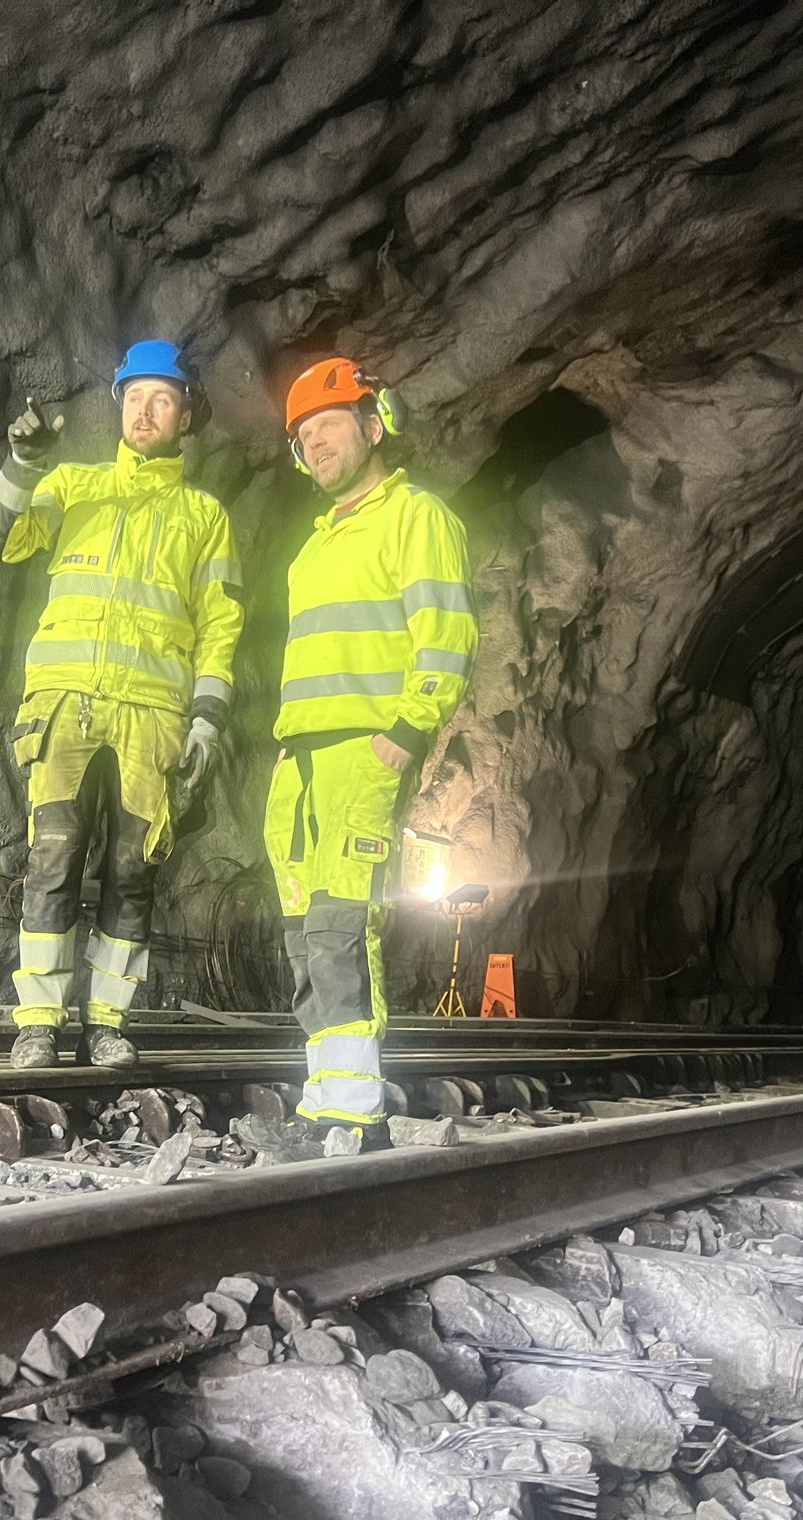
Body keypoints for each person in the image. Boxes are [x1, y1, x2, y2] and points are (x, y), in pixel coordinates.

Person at [0, 342, 244, 1070]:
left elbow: (221, 626)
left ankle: (106, 1022)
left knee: (133, 871)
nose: (143, 411)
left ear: (187, 414)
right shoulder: (72, 484)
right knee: (53, 857)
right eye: (132, 397)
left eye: (161, 399)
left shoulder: (204, 517)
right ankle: (38, 1020)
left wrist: (206, 720)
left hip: (152, 716)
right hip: (64, 706)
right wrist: (23, 463)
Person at [247, 356, 477, 1154]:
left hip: (363, 751)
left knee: (343, 922)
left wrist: (406, 732)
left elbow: (444, 637)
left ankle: (352, 1104)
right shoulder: (312, 548)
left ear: (375, 425)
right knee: (304, 927)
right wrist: (285, 750)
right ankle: (327, 1090)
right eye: (304, 436)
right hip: (301, 758)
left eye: (330, 427)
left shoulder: (416, 516)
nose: (316, 446)